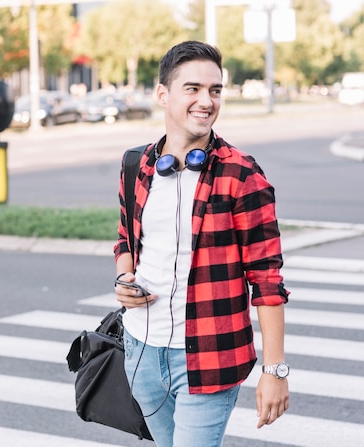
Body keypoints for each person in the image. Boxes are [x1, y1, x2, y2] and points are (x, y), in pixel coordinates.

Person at [113, 40, 290, 447]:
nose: (206, 101)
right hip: (140, 352)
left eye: (214, 90)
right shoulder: (135, 165)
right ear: (163, 94)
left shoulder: (242, 175)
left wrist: (274, 369)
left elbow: (267, 279)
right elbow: (125, 239)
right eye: (192, 88)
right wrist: (124, 277)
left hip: (210, 357)